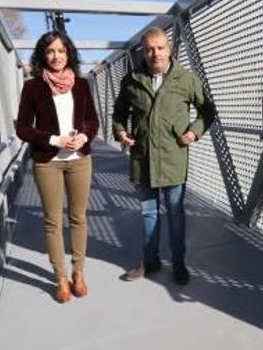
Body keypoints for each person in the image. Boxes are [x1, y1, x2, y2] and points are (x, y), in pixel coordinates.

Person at [112, 27, 215, 285]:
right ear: (143, 52)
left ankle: (179, 262)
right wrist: (121, 132)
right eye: (149, 49)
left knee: (175, 213)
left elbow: (207, 111)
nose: (155, 53)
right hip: (143, 158)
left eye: (160, 48)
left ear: (169, 49)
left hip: (173, 158)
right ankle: (150, 261)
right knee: (149, 213)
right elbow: (118, 114)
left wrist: (194, 132)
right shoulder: (131, 80)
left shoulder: (186, 79)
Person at [16, 30, 99, 303]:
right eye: (50, 51)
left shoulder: (82, 85)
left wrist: (84, 136)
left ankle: (78, 273)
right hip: (48, 162)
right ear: (43, 54)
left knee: (78, 218)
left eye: (61, 51)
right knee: (53, 221)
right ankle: (61, 278)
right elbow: (23, 129)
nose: (56, 56)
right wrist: (54, 139)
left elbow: (92, 121)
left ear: (69, 54)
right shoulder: (33, 87)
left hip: (79, 162)